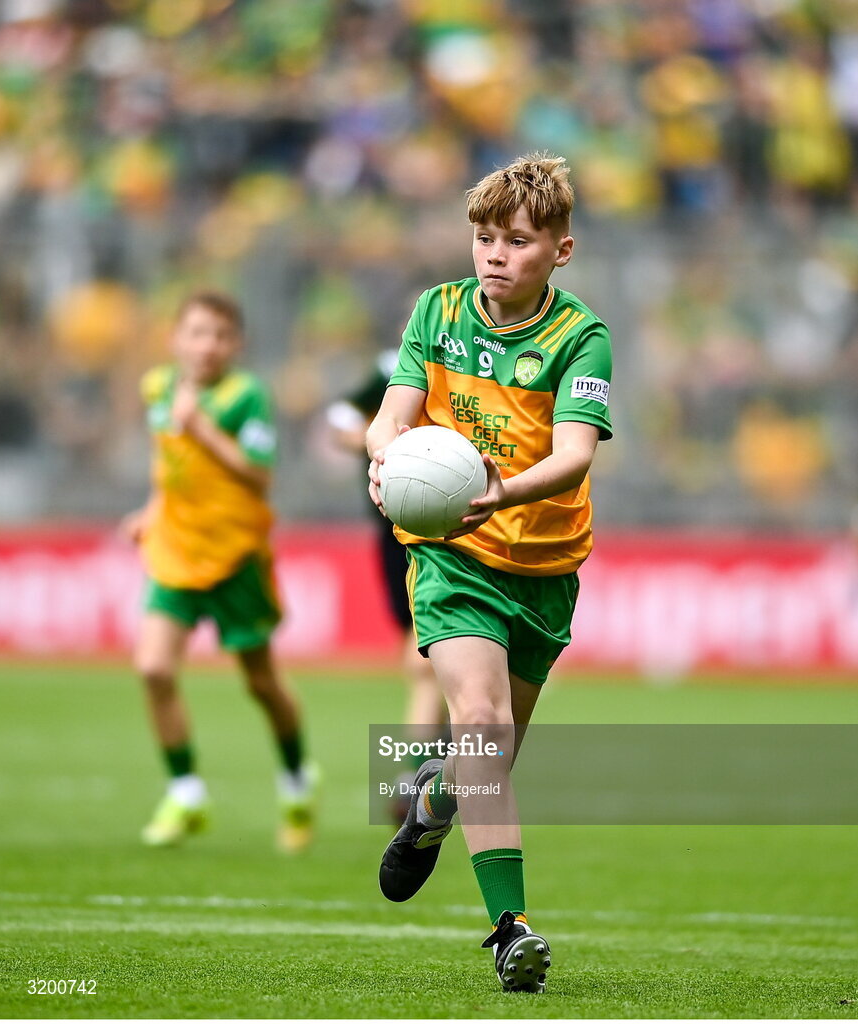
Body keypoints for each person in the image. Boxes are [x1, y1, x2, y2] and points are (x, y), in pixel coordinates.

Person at [366, 154, 613, 992]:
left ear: (560, 250)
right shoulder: (435, 313)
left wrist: (496, 487)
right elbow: (391, 417)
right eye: (482, 238)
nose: (494, 255)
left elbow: (574, 456)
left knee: (487, 754)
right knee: (477, 714)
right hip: (451, 555)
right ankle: (511, 929)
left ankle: (431, 808)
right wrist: (381, 458)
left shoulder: (581, 338)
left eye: (515, 239)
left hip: (541, 565)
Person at [121, 290, 317, 853]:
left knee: (260, 682)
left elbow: (259, 477)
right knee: (154, 668)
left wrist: (204, 430)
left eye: (221, 336)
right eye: (198, 333)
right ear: (174, 340)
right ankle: (185, 793)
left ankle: (297, 779)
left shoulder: (245, 397)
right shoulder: (158, 388)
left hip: (236, 558)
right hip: (175, 552)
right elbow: (170, 465)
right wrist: (152, 511)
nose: (209, 346)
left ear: (238, 345)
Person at [326, 351, 448, 820]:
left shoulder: (477, 362)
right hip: (394, 527)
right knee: (421, 657)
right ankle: (433, 765)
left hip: (454, 527)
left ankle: (416, 776)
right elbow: (341, 420)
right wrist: (385, 448)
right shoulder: (391, 366)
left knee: (424, 661)